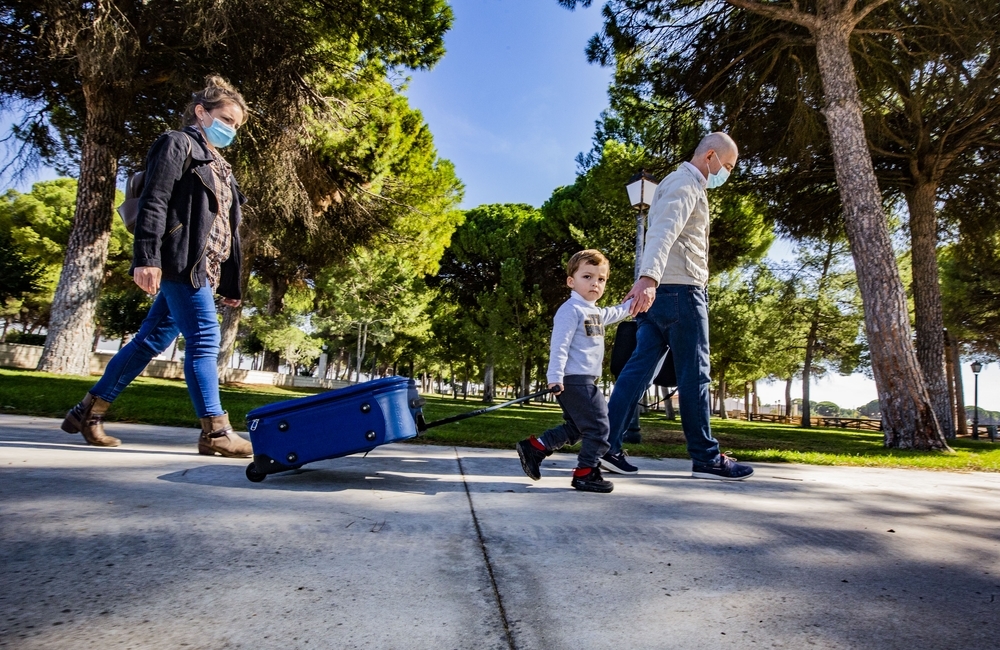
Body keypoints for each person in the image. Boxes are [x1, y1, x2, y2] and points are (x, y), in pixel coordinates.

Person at [61, 75, 253, 458]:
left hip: (204, 268)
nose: (231, 129)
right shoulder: (176, 144)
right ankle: (215, 432)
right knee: (204, 340)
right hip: (179, 262)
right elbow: (155, 201)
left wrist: (230, 283)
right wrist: (147, 257)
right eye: (226, 119)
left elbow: (225, 230)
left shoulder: (222, 167)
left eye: (236, 125)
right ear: (202, 112)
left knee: (150, 340)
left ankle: (88, 411)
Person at [602, 132, 754, 480]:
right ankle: (706, 458)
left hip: (662, 295)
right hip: (681, 292)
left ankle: (607, 446)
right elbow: (663, 233)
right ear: (711, 156)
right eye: (727, 166)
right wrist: (648, 279)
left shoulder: (679, 184)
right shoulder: (685, 183)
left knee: (638, 370)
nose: (726, 174)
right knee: (695, 376)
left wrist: (651, 282)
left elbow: (663, 233)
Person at [516, 250, 632, 493]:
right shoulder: (571, 310)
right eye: (587, 277)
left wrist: (637, 302)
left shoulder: (595, 312)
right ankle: (585, 472)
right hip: (574, 380)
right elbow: (559, 345)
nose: (595, 283)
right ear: (571, 281)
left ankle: (536, 447)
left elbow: (618, 312)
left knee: (579, 427)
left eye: (601, 279)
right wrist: (554, 377)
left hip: (583, 379)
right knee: (600, 427)